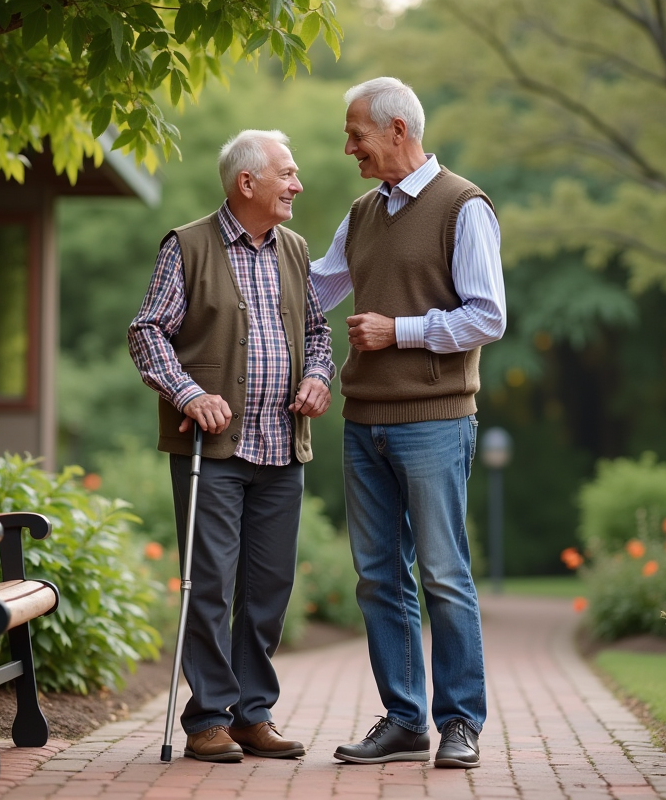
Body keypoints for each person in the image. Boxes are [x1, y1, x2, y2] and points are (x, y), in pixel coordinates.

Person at [311, 77, 506, 769]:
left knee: (444, 574)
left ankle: (460, 724)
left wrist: (400, 331)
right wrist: (235, 265)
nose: (348, 147)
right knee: (377, 578)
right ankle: (402, 721)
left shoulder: (463, 206)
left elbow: (488, 315)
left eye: (356, 133)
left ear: (398, 131)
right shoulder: (363, 213)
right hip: (363, 421)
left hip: (433, 420)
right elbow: (318, 285)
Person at [128, 129, 334, 763]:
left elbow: (320, 331)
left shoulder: (295, 250)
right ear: (248, 183)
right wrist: (188, 393)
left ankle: (252, 714)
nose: (297, 186)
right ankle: (208, 718)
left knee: (269, 588)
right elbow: (146, 333)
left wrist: (318, 376)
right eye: (287, 174)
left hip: (281, 448)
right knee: (210, 584)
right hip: (211, 452)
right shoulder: (187, 246)